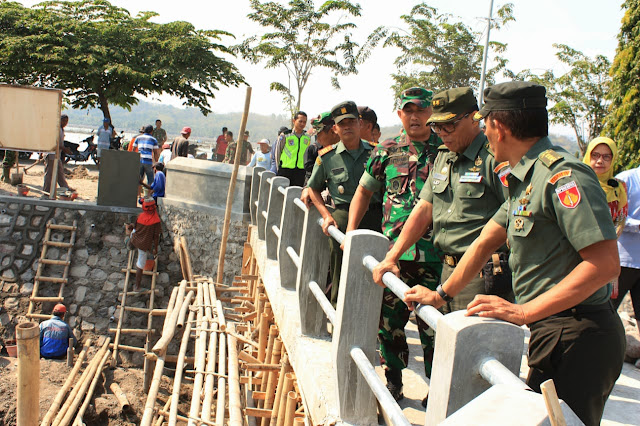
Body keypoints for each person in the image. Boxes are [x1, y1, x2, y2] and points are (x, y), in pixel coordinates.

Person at [403, 82, 625, 426]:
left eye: (486, 124)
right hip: (553, 332)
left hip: (581, 334)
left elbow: (605, 264)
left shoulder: (563, 176)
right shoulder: (527, 178)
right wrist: (441, 294)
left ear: (499, 128)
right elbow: (483, 243)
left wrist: (523, 311)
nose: (485, 134)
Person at [373, 87, 512, 315]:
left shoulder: (494, 158)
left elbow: (512, 216)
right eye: (437, 126)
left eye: (449, 125)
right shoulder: (444, 156)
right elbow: (424, 209)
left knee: (471, 347)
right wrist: (392, 256)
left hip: (481, 277)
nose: (443, 133)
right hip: (446, 271)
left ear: (473, 118)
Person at [347, 87, 442, 402]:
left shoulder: (446, 151)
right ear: (400, 114)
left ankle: (436, 388)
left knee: (434, 329)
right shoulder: (386, 150)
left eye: (421, 110)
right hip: (394, 257)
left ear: (431, 113)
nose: (414, 117)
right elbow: (364, 191)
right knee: (389, 325)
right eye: (408, 110)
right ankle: (394, 381)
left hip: (435, 256)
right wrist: (350, 232)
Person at [305, 101, 382, 305]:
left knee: (375, 269)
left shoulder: (377, 152)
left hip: (375, 217)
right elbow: (313, 188)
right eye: (342, 123)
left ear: (359, 124)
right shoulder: (327, 157)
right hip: (343, 215)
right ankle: (338, 309)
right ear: (335, 129)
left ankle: (373, 316)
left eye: (351, 122)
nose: (347, 127)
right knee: (342, 267)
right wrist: (326, 215)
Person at [583, 137, 628, 237]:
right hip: (575, 246)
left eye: (606, 157)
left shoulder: (618, 186)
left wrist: (607, 243)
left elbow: (621, 219)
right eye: (595, 155)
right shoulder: (577, 182)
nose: (600, 161)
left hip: (606, 245)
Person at [614, 161, 640, 331]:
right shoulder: (625, 180)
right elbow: (614, 214)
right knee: (606, 308)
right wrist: (636, 225)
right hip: (623, 261)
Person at [125, 198, 162, 291]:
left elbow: (136, 228)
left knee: (133, 233)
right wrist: (155, 249)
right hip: (143, 244)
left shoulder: (140, 216)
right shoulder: (156, 220)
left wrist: (131, 227)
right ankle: (137, 286)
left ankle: (130, 244)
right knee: (140, 264)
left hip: (135, 238)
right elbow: (156, 236)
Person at [303, 112, 339, 186]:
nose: (318, 139)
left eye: (319, 134)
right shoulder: (324, 153)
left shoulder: (347, 150)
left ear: (332, 131)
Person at [276, 112, 309, 187]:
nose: (302, 124)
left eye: (304, 122)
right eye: (300, 121)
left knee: (295, 194)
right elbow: (278, 152)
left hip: (300, 171)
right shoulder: (285, 135)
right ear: (294, 121)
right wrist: (278, 167)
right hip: (285, 169)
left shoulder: (307, 137)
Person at [43, 114, 74, 193]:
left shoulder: (61, 130)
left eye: (66, 121)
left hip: (57, 155)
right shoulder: (56, 129)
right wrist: (64, 149)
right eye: (64, 121)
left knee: (60, 171)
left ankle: (65, 187)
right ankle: (47, 189)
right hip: (51, 154)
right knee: (49, 173)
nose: (65, 123)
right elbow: (54, 143)